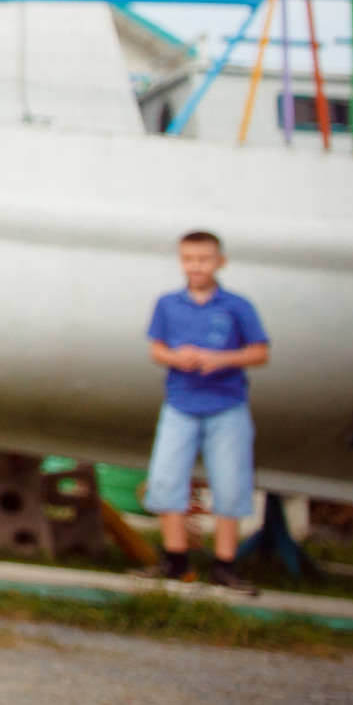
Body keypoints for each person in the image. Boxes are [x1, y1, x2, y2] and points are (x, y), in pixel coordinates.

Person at [142, 230, 270, 595]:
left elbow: (259, 352)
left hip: (226, 405)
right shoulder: (168, 304)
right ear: (181, 262)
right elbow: (157, 349)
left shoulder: (237, 306)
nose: (196, 267)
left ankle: (225, 565)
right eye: (189, 259)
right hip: (180, 403)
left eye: (204, 259)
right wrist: (177, 358)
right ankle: (174, 559)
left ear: (220, 262)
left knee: (230, 483)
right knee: (167, 479)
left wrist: (221, 359)